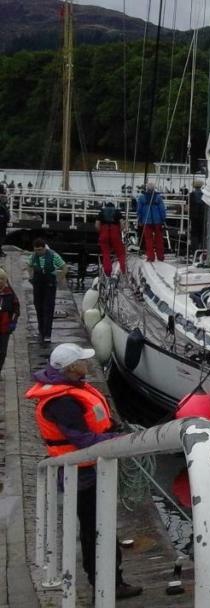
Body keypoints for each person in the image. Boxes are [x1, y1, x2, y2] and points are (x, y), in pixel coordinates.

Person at [25, 344, 142, 598]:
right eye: (82, 361)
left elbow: (94, 422)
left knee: (101, 526)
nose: (88, 364)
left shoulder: (72, 390)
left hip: (88, 469)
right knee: (97, 529)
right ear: (71, 368)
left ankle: (110, 581)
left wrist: (114, 428)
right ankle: (107, 584)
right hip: (80, 474)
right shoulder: (62, 402)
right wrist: (117, 441)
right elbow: (83, 439)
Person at [28, 238, 66, 344]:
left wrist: (59, 279)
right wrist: (30, 277)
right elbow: (29, 266)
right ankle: (41, 331)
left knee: (48, 309)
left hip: (49, 284)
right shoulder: (33, 256)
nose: (38, 252)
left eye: (40, 250)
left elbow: (64, 267)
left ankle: (47, 334)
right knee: (38, 307)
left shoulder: (54, 256)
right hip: (37, 284)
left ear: (44, 248)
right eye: (36, 250)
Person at [136, 181, 168, 262]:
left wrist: (139, 219)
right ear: (154, 189)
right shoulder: (158, 198)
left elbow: (139, 210)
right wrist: (163, 219)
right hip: (158, 221)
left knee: (148, 239)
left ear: (146, 189)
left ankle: (150, 257)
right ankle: (160, 257)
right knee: (159, 239)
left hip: (146, 220)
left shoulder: (142, 198)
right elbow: (162, 209)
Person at [96, 200, 128, 278]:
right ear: (113, 206)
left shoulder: (101, 212)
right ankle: (123, 271)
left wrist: (100, 232)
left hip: (104, 233)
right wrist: (120, 231)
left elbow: (97, 225)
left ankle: (107, 272)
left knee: (106, 254)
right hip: (115, 233)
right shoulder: (117, 212)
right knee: (121, 253)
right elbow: (122, 223)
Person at [0, 268, 19, 376]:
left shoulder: (10, 294)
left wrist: (13, 322)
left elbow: (17, 309)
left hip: (4, 327)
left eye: (1, 279)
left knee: (2, 352)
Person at [188, 179, 206, 247]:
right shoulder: (204, 195)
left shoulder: (191, 195)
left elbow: (188, 205)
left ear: (194, 186)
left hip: (194, 216)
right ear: (201, 186)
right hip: (202, 216)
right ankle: (201, 246)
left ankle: (194, 247)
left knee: (194, 232)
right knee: (201, 232)